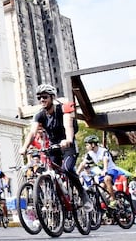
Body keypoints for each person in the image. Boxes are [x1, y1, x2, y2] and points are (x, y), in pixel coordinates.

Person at [19, 83, 92, 212]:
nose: (42, 100)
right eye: (39, 98)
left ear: (52, 97)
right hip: (53, 146)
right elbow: (32, 132)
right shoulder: (39, 115)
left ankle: (82, 194)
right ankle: (58, 202)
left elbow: (68, 125)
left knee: (68, 168)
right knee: (50, 174)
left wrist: (68, 139)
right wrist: (24, 148)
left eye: (45, 97)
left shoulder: (62, 109)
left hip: (67, 144)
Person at [77, 135, 122, 207]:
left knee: (107, 179)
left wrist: (105, 169)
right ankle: (106, 206)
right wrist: (77, 173)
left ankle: (113, 200)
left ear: (93, 144)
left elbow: (105, 160)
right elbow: (83, 163)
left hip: (111, 170)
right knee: (101, 188)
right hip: (103, 172)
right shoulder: (90, 153)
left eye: (87, 145)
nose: (86, 146)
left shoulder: (103, 151)